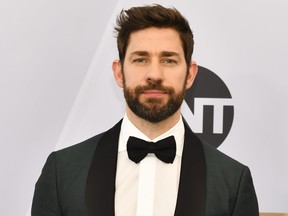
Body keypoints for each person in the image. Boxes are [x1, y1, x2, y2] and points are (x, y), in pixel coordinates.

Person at [32, 4, 259, 216]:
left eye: (168, 60)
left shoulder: (232, 182)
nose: (155, 74)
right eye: (140, 60)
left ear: (190, 74)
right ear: (119, 72)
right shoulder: (61, 172)